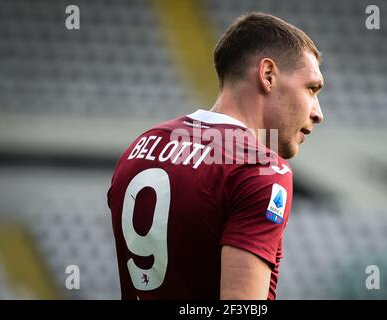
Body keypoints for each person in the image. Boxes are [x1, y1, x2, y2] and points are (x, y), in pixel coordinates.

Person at [107, 12, 324, 300]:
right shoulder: (261, 169)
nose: (318, 113)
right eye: (311, 89)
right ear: (268, 75)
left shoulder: (142, 146)